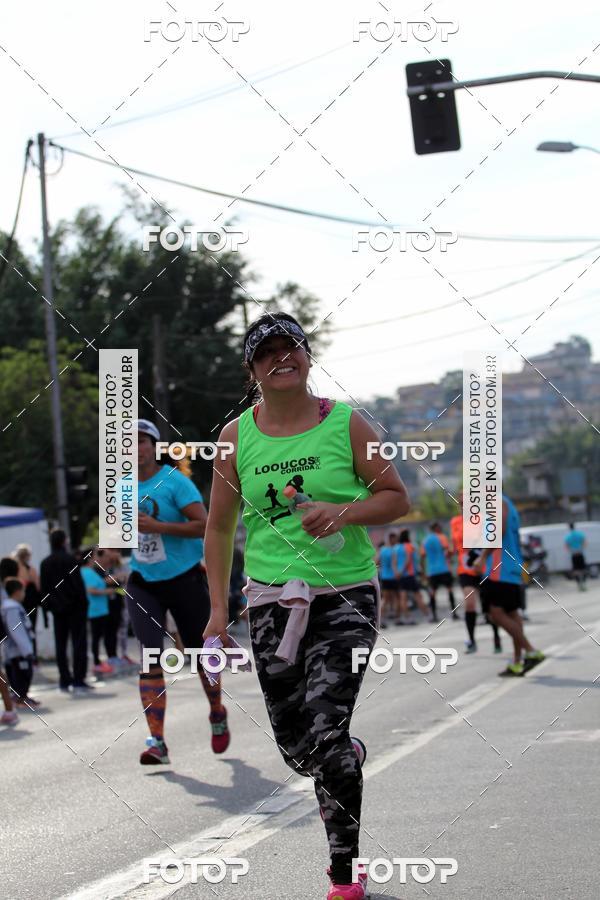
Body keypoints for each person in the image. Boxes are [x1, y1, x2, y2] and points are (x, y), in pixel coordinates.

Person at [203, 312, 410, 900]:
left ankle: (344, 876)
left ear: (308, 357)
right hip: (270, 603)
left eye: (290, 346)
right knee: (299, 749)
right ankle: (342, 752)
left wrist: (342, 511)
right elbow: (219, 529)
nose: (281, 358)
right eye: (266, 352)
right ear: (252, 370)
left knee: (324, 736)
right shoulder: (234, 437)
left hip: (345, 595)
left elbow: (397, 499)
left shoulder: (347, 424)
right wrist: (218, 611)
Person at [126, 419, 228, 765]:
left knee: (201, 656)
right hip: (142, 581)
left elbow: (205, 525)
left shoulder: (175, 482)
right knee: (149, 655)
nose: (136, 448)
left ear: (154, 446)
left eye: (142, 441)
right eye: (129, 443)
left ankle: (216, 710)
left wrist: (159, 527)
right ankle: (157, 741)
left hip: (183, 577)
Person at [474, 495, 545, 677]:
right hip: (511, 567)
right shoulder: (508, 503)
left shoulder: (496, 501)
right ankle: (517, 661)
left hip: (500, 569)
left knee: (495, 613)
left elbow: (499, 530)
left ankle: (530, 650)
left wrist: (482, 557)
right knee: (512, 614)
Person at [40, 529, 92, 693]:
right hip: (75, 607)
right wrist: (84, 604)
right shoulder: (70, 560)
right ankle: (78, 679)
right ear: (64, 541)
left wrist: (48, 606)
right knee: (78, 643)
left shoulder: (45, 563)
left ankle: (64, 679)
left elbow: (45, 588)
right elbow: (77, 585)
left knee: (60, 644)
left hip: (57, 608)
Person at [1, 578, 38, 708]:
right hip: (17, 650)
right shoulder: (11, 608)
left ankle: (21, 697)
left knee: (20, 674)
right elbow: (16, 629)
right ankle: (20, 698)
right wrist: (26, 650)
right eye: (23, 591)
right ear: (17, 592)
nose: (24, 594)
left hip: (16, 649)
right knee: (22, 674)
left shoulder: (11, 606)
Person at [80, 549, 114, 675]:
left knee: (97, 637)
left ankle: (98, 661)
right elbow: (90, 590)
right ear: (89, 558)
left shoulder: (90, 571)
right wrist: (107, 592)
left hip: (99, 609)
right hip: (95, 609)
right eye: (94, 555)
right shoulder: (87, 572)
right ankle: (96, 663)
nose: (96, 558)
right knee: (96, 637)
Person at [421, 522, 459, 622]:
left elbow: (423, 556)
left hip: (432, 571)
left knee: (433, 593)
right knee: (450, 590)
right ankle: (454, 614)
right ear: (436, 528)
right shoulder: (442, 537)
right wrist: (449, 557)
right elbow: (449, 551)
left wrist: (424, 572)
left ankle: (434, 616)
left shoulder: (425, 541)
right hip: (444, 568)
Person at [13, 544, 42, 663]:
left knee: (19, 629)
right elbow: (38, 586)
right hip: (31, 604)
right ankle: (32, 655)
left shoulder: (15, 570)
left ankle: (22, 655)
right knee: (31, 629)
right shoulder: (31, 570)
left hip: (19, 604)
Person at [393, 529, 430, 622]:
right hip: (409, 575)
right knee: (418, 595)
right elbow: (408, 560)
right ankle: (427, 615)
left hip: (400, 576)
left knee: (403, 597)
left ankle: (407, 617)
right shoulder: (410, 546)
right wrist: (402, 571)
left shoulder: (396, 548)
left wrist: (397, 572)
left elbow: (394, 562)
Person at [377, 532, 400, 626]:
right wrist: (397, 574)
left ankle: (381, 620)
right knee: (396, 598)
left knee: (385, 599)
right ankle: (398, 619)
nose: (396, 541)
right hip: (393, 577)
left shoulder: (382, 550)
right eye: (395, 539)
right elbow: (395, 564)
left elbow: (376, 562)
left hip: (384, 577)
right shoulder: (393, 550)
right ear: (391, 539)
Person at [565, 523, 587, 591]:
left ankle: (578, 585)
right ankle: (584, 584)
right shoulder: (579, 534)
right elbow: (584, 542)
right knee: (583, 569)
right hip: (580, 553)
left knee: (576, 570)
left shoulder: (568, 536)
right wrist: (581, 548)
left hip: (574, 554)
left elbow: (566, 546)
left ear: (569, 528)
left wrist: (571, 550)